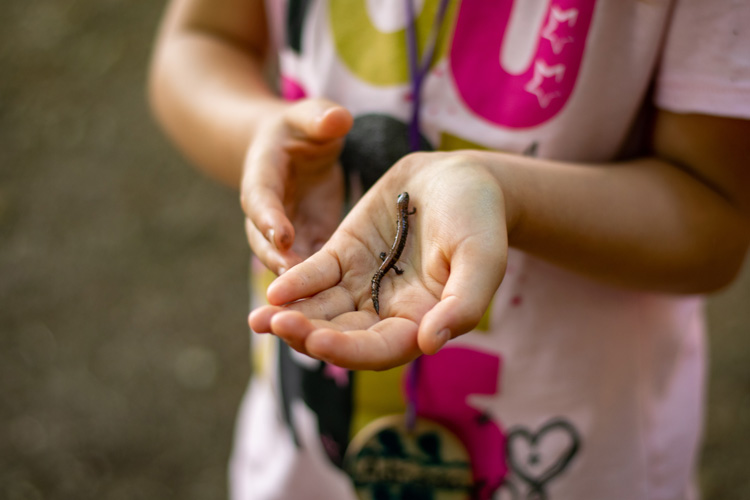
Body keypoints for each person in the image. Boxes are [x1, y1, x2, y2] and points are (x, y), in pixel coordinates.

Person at [149, 0, 750, 498]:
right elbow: (199, 41)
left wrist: (510, 195)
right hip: (303, 456)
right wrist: (257, 129)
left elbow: (714, 221)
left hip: (586, 464)